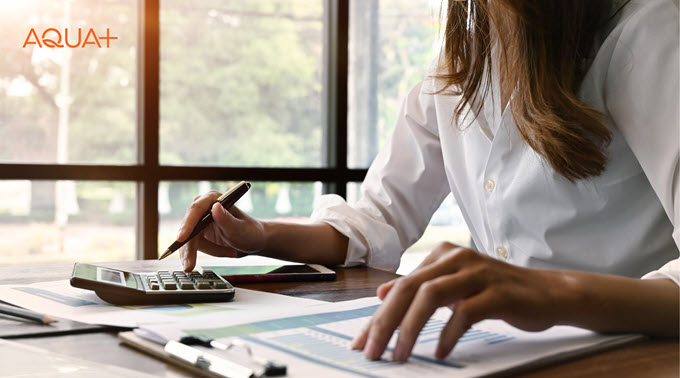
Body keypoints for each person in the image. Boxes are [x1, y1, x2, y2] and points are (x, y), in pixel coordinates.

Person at [178, 0, 679, 362]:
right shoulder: (460, 64)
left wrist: (548, 292)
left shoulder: (651, 30)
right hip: (499, 353)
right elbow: (378, 219)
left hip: (636, 358)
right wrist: (259, 236)